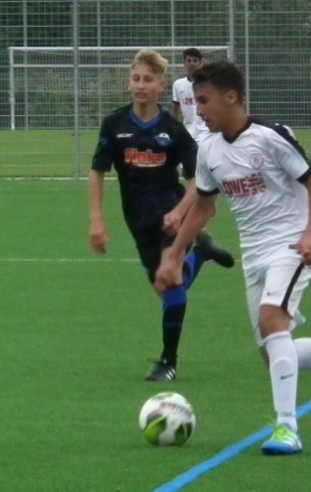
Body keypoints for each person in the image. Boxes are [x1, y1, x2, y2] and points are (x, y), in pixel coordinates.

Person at [153, 61, 311, 456]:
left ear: (231, 97)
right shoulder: (208, 149)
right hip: (254, 252)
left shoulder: (270, 137)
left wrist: (310, 234)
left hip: (292, 243)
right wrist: (173, 254)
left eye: (204, 101)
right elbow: (204, 206)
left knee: (271, 320)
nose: (198, 110)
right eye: (195, 102)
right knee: (272, 350)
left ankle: (287, 428)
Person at [88, 49, 234, 382]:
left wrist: (180, 212)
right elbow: (97, 172)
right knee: (164, 286)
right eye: (136, 79)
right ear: (129, 83)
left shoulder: (173, 129)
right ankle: (202, 254)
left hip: (172, 213)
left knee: (171, 282)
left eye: (148, 80)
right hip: (138, 220)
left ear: (160, 85)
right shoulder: (114, 124)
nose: (141, 85)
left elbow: (200, 179)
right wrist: (97, 220)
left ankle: (168, 362)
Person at [171, 48, 210, 143]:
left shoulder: (209, 84)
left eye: (195, 61)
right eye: (188, 61)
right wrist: (173, 129)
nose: (192, 64)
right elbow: (175, 110)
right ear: (184, 63)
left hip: (207, 133)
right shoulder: (178, 84)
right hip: (188, 133)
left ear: (200, 63)